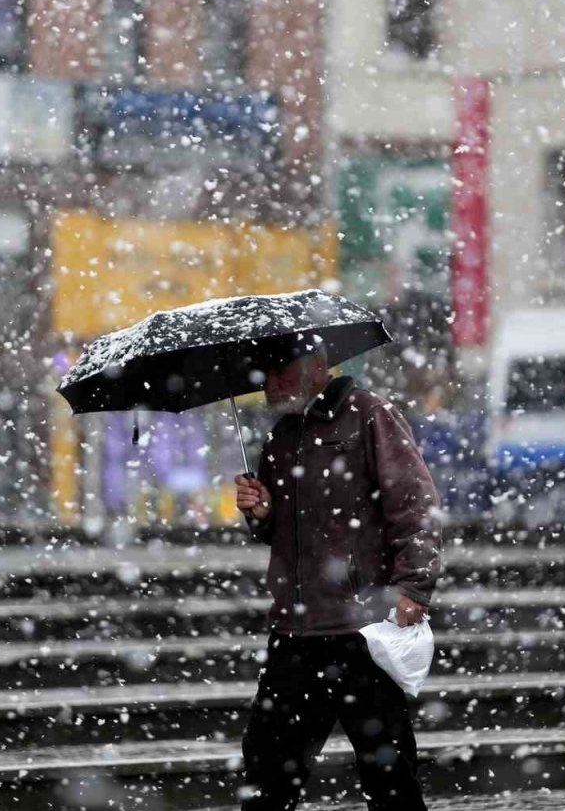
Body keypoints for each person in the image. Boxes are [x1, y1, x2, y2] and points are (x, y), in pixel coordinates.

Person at [233, 341, 442, 811]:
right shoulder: (281, 436)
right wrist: (263, 513)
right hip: (295, 631)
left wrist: (414, 585)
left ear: (317, 367)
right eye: (264, 374)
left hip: (362, 629)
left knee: (389, 776)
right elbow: (284, 532)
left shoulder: (369, 415)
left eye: (281, 371)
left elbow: (414, 505)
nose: (270, 383)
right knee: (266, 770)